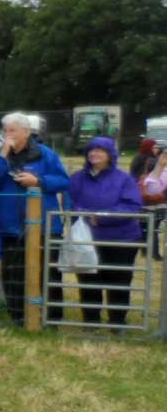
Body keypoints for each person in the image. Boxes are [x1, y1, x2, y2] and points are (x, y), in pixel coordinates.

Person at [0, 112, 70, 325]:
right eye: (5, 131)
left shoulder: (45, 154)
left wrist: (38, 180)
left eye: (12, 130)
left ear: (27, 132)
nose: (8, 135)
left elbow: (63, 181)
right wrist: (2, 155)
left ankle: (52, 318)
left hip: (43, 226)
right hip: (10, 226)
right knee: (12, 275)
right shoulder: (0, 156)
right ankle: (18, 318)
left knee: (48, 274)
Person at [67, 136, 144, 325]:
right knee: (88, 279)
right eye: (91, 150)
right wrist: (83, 214)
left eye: (100, 150)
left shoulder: (124, 179)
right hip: (87, 239)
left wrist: (101, 216)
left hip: (121, 240)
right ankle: (91, 320)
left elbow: (131, 206)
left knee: (118, 281)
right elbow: (70, 203)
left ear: (110, 154)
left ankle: (117, 321)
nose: (94, 153)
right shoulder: (77, 178)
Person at [137, 146, 166, 261]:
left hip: (146, 208)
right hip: (159, 208)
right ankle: (154, 253)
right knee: (153, 232)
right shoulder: (160, 178)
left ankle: (146, 251)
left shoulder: (143, 178)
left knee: (146, 231)